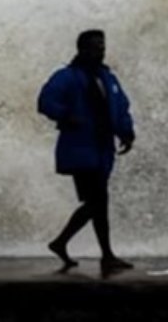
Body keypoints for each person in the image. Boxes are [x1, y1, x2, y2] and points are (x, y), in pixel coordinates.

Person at [38, 29, 135, 274]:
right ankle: (106, 255)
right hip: (79, 148)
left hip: (102, 148)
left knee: (96, 203)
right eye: (94, 47)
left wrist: (127, 131)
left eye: (102, 46)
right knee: (98, 201)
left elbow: (121, 107)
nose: (100, 51)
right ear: (81, 49)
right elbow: (45, 101)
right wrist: (67, 115)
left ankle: (62, 243)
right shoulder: (67, 76)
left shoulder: (108, 78)